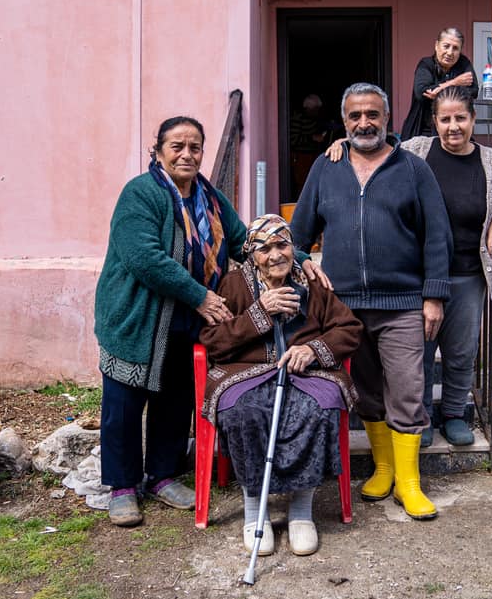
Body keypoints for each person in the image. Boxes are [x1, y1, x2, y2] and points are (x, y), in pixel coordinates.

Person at [94, 116, 328, 528]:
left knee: (176, 395)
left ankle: (162, 476)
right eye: (177, 146)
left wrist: (301, 259)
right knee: (124, 403)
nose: (187, 154)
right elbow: (145, 258)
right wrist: (201, 295)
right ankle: (122, 486)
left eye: (195, 147)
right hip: (138, 316)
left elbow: (243, 240)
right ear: (158, 150)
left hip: (187, 316)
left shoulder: (210, 198)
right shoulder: (141, 195)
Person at [292, 82, 452, 520]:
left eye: (373, 115)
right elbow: (299, 232)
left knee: (407, 388)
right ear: (344, 123)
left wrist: (434, 296)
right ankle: (383, 469)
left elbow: (437, 235)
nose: (365, 123)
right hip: (343, 307)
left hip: (402, 301)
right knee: (365, 392)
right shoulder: (327, 168)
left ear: (387, 118)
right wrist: (303, 260)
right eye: (355, 116)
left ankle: (410, 483)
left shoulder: (413, 169)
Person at [326, 86, 492, 447]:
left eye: (460, 118)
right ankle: (423, 418)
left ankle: (453, 414)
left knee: (461, 349)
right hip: (420, 275)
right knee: (420, 352)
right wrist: (342, 143)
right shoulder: (416, 152)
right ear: (435, 122)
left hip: (466, 272)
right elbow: (375, 142)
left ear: (473, 120)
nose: (453, 127)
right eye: (445, 119)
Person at [199, 214, 362, 556]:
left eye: (282, 245)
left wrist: (313, 349)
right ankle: (254, 510)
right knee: (243, 413)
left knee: (317, 409)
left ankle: (301, 511)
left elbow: (348, 328)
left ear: (294, 249)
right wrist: (258, 313)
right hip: (246, 371)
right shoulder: (233, 285)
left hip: (307, 373)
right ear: (251, 255)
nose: (275, 255)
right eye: (264, 248)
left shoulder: (312, 284)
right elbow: (211, 340)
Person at [400, 27, 477, 141]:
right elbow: (421, 93)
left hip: (453, 130)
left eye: (455, 48)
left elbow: (474, 91)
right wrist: (454, 82)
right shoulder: (426, 64)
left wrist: (438, 91)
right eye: (446, 46)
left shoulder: (463, 63)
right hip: (422, 129)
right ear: (436, 45)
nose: (450, 52)